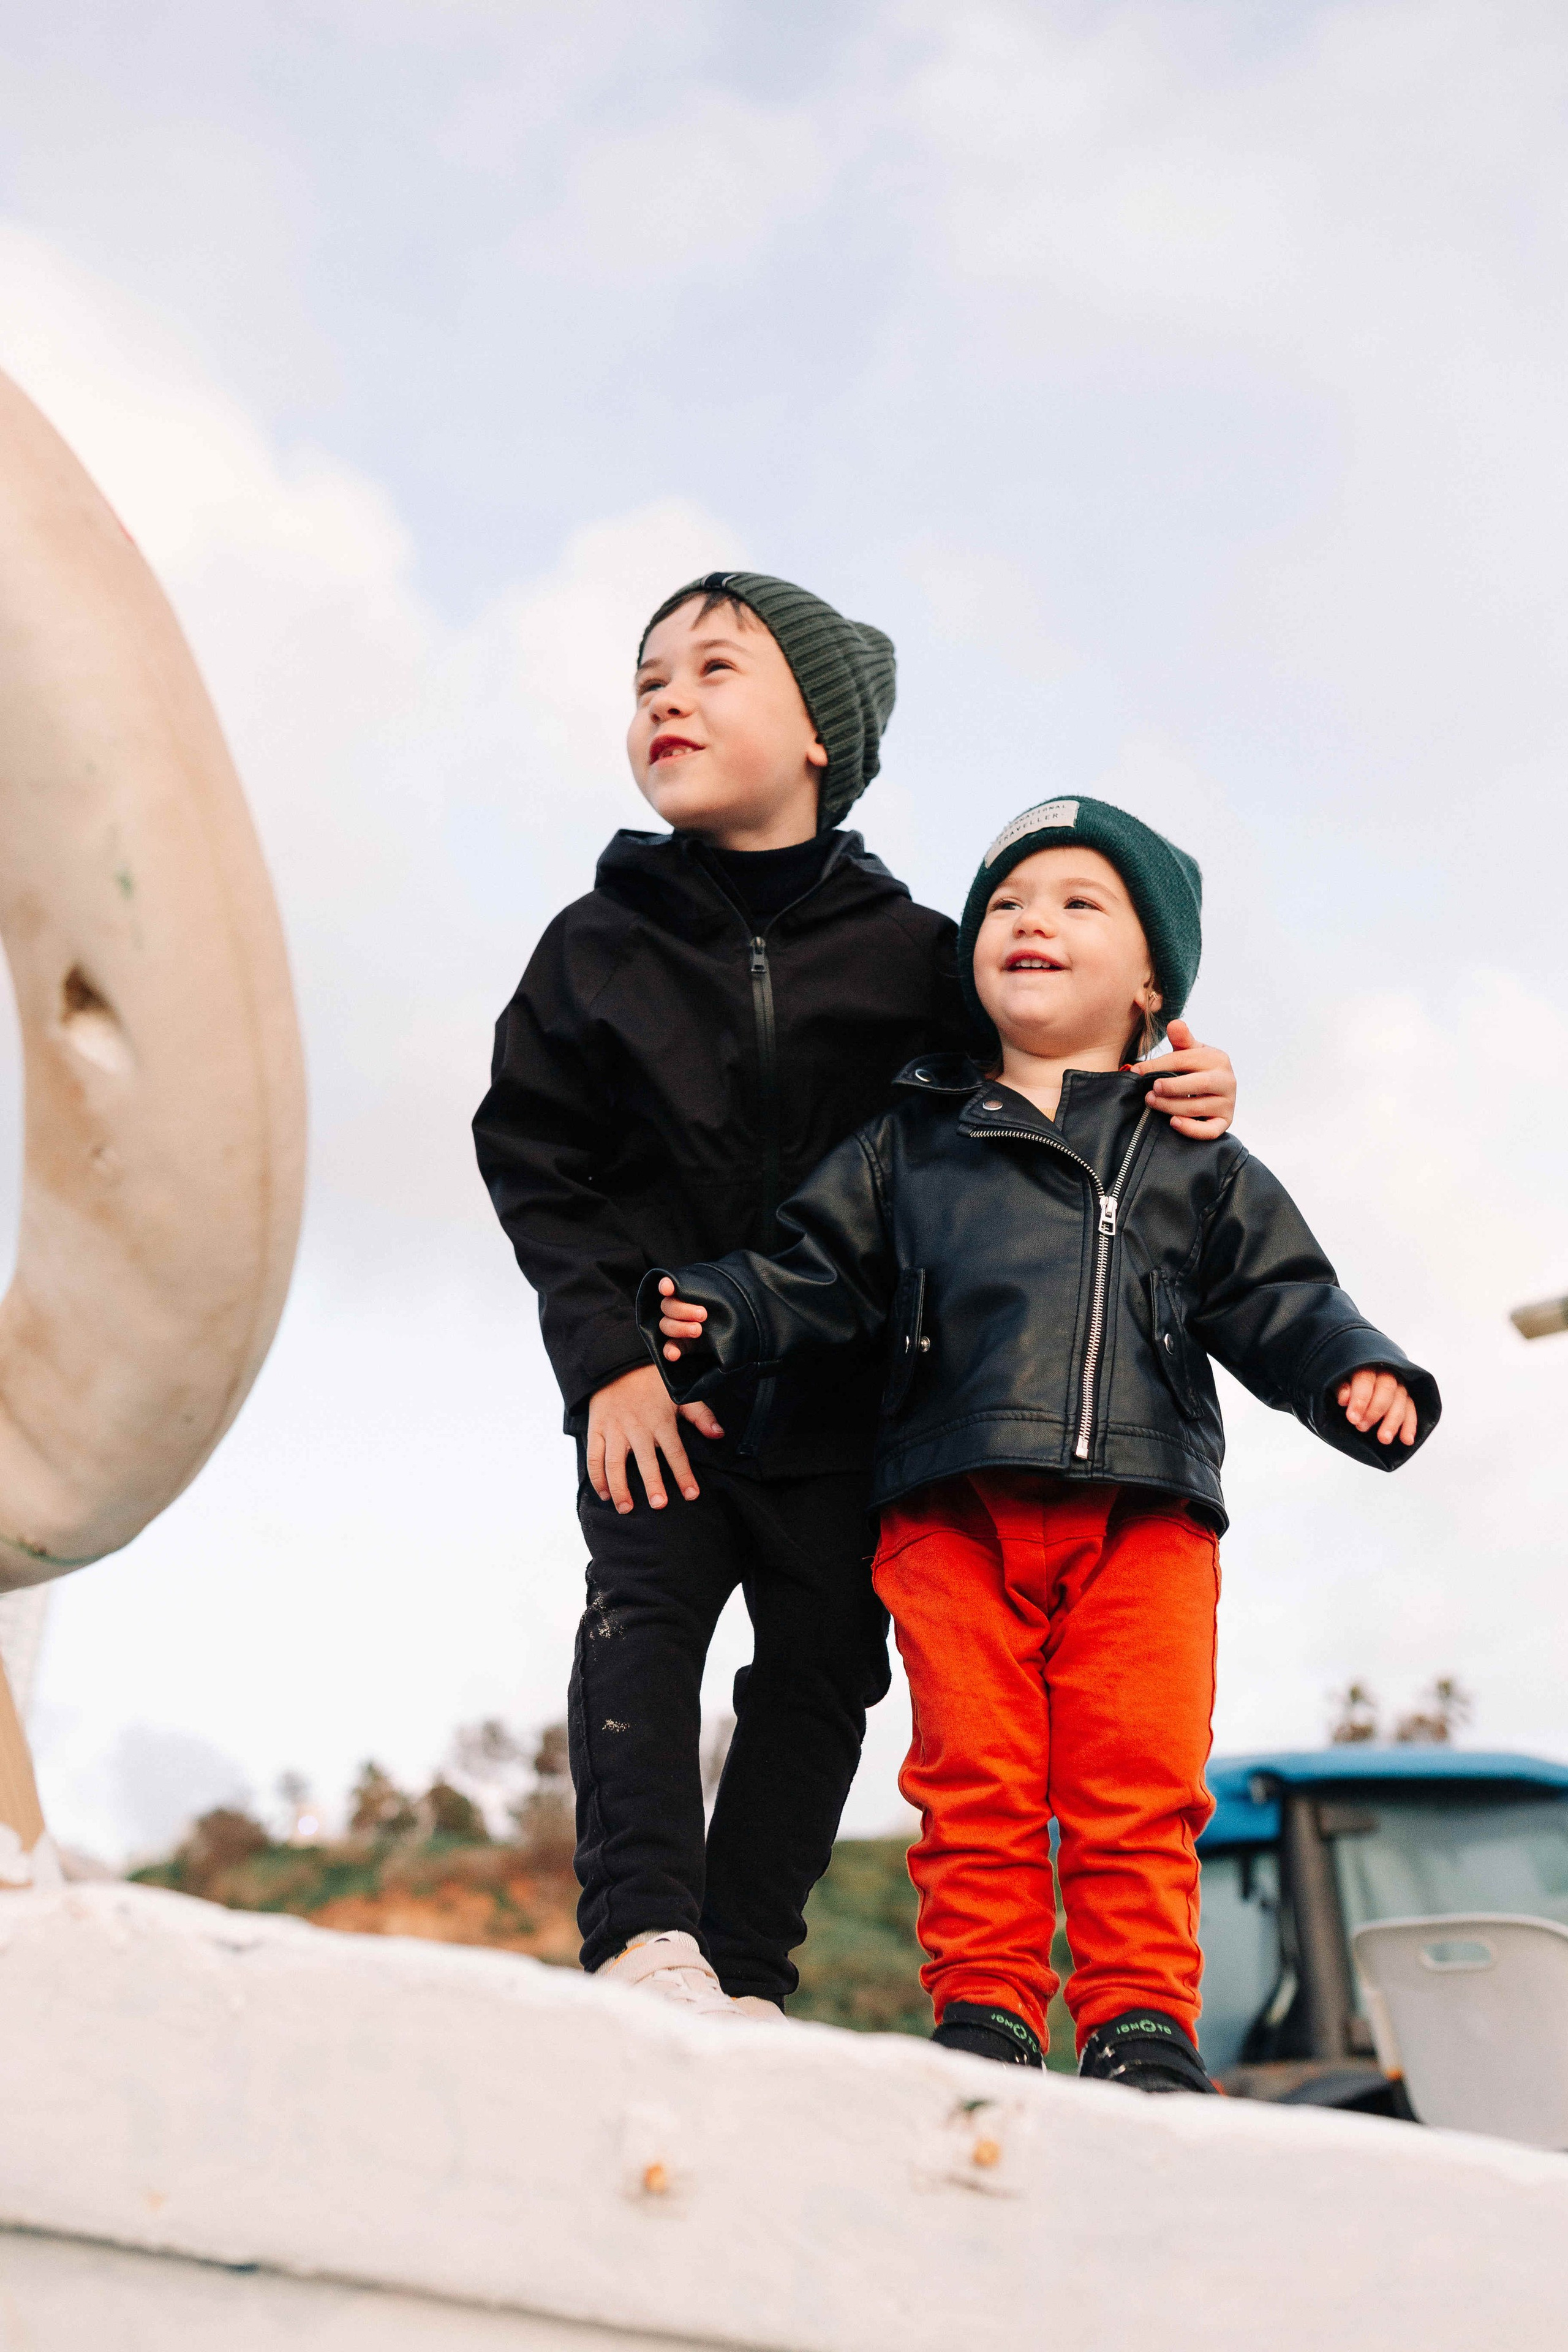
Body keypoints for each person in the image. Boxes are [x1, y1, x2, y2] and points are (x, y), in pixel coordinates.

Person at [475, 584, 1238, 2022]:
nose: (664, 700)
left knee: (824, 1665)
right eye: (645, 680)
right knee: (639, 1616)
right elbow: (530, 1155)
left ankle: (749, 1966)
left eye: (712, 669)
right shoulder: (596, 947)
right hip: (661, 1382)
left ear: (822, 734)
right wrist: (604, 1364)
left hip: (855, 1406)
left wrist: (1177, 1078)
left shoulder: (920, 957)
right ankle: (642, 1935)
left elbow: (1043, 1071)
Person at [647, 793, 1439, 2084]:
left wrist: (1351, 1368)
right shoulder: (907, 1141)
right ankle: (988, 2016)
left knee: (1137, 1782)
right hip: (949, 1511)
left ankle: (1137, 2022)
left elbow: (1278, 1295)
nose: (1032, 922)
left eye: (1080, 904)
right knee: (975, 1781)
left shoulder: (1195, 1154)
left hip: (1145, 1516)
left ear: (1149, 984)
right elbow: (810, 1268)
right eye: (1007, 905)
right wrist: (721, 1307)